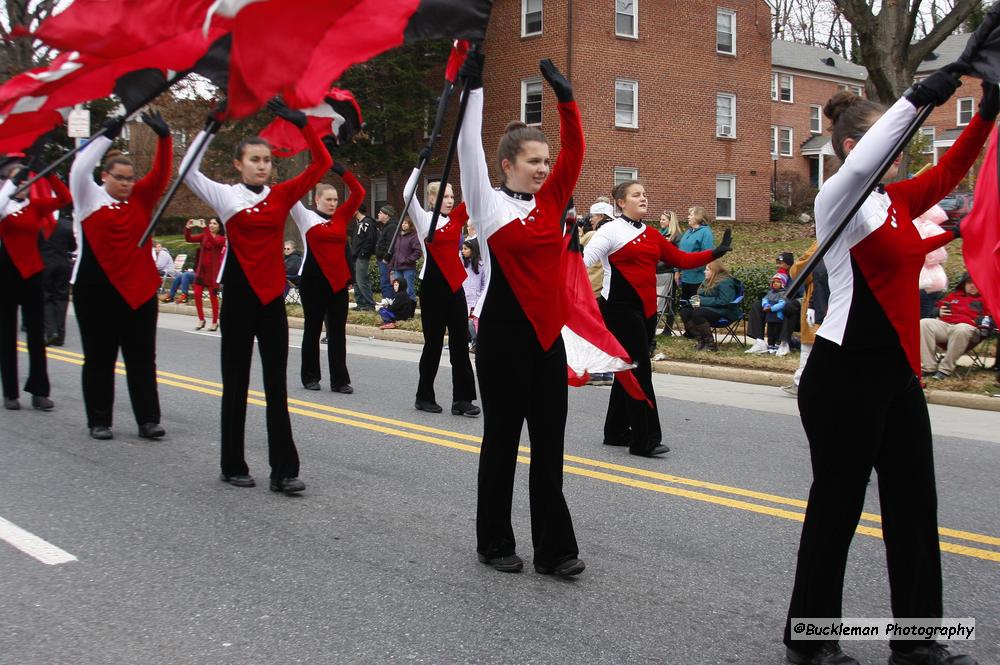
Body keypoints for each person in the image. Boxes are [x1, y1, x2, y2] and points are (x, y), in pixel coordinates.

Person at [782, 73, 994, 665]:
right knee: (838, 509)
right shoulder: (839, 199)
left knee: (914, 505)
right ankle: (812, 640)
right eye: (888, 143)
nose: (900, 155)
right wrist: (916, 98)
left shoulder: (894, 203)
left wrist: (984, 116)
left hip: (897, 375)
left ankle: (919, 641)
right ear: (854, 147)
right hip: (843, 375)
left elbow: (949, 173)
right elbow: (869, 160)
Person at [458, 53, 586, 577]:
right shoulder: (486, 205)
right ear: (507, 165)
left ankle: (554, 550)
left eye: (545, 160)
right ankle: (494, 541)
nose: (543, 168)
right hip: (503, 339)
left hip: (546, 340)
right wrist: (475, 87)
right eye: (532, 161)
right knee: (503, 440)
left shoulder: (553, 202)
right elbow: (467, 149)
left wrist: (566, 97)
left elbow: (576, 151)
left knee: (550, 446)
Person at [180, 99, 331, 493]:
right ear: (238, 164)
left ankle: (284, 470)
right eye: (254, 159)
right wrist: (210, 125)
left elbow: (321, 165)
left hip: (271, 302)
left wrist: (304, 126)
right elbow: (186, 171)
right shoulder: (226, 196)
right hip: (239, 299)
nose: (263, 165)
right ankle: (232, 464)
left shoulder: (281, 195)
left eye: (266, 160)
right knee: (236, 383)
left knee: (276, 387)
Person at [583, 180, 726, 456]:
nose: (643, 198)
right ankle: (644, 439)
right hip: (620, 310)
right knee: (640, 370)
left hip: (646, 312)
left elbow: (681, 260)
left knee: (627, 367)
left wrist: (715, 253)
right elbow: (584, 261)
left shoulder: (650, 233)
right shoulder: (610, 231)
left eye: (645, 194)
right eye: (636, 195)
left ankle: (615, 432)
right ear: (621, 203)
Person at [68, 112, 172, 441]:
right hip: (96, 291)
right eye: (121, 178)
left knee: (142, 359)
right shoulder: (87, 198)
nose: (128, 183)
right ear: (105, 176)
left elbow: (161, 175)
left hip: (139, 292)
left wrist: (165, 139)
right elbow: (78, 169)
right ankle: (99, 419)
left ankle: (148, 420)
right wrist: (105, 137)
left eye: (130, 178)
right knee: (99, 358)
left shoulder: (141, 198)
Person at [401, 173, 479, 416]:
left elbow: (474, 197)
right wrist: (418, 167)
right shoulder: (424, 219)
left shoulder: (455, 218)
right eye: (444, 196)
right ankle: (424, 396)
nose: (450, 200)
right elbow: (407, 194)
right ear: (432, 199)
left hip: (455, 286)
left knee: (459, 344)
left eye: (452, 196)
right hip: (433, 286)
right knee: (433, 344)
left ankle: (462, 400)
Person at [0, 156, 70, 411]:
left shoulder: (35, 207)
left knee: (35, 336)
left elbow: (64, 199)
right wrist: (11, 184)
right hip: (6, 274)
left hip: (32, 273)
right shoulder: (3, 207)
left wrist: (49, 174)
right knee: (7, 335)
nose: (24, 184)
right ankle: (10, 392)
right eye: (18, 179)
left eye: (26, 179)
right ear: (7, 181)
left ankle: (39, 391)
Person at [291, 161, 364, 394]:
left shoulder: (341, 217)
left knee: (337, 332)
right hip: (312, 282)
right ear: (317, 200)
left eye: (335, 199)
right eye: (328, 199)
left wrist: (341, 170)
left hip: (338, 283)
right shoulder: (306, 218)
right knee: (312, 329)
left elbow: (359, 192)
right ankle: (310, 377)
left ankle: (340, 380)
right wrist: (315, 170)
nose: (333, 203)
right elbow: (293, 193)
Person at [781, 244, 830, 397]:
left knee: (810, 345)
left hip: (818, 298)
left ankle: (801, 382)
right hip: (833, 297)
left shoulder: (821, 243)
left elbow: (799, 271)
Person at [920, 273, 990, 380]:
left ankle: (945, 370)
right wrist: (937, 312)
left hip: (970, 330)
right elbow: (935, 308)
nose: (972, 286)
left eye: (976, 283)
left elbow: (992, 319)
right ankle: (928, 368)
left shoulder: (987, 299)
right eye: (969, 282)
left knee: (961, 328)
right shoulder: (954, 295)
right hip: (947, 327)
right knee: (924, 323)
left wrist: (982, 320)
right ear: (964, 284)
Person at [580, 199, 616, 385]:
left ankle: (596, 372)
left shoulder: (596, 234)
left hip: (593, 289)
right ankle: (607, 373)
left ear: (601, 216)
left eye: (593, 215)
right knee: (604, 331)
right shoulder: (618, 232)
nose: (590, 219)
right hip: (609, 289)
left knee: (592, 331)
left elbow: (578, 255)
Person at [677, 259, 741, 352]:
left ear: (714, 271)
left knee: (698, 313)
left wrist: (701, 301)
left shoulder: (725, 282)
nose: (704, 271)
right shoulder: (708, 280)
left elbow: (724, 301)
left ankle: (710, 344)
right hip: (708, 308)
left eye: (707, 270)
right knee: (685, 311)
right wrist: (694, 301)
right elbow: (700, 295)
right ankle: (701, 340)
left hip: (724, 311)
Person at [183, 218, 227, 331]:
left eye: (214, 224)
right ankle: (201, 319)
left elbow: (214, 242)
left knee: (213, 298)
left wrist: (205, 229)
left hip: (213, 274)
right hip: (201, 272)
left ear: (219, 227)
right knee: (197, 294)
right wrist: (188, 228)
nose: (211, 225)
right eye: (210, 223)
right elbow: (189, 239)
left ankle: (214, 322)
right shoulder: (204, 235)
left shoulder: (221, 239)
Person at [40, 208, 75, 346]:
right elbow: (72, 246)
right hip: (63, 264)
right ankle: (60, 334)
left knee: (46, 297)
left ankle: (51, 331)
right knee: (61, 299)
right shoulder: (66, 225)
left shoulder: (40, 225)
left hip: (45, 264)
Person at [675, 206, 715, 302]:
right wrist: (677, 271)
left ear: (698, 217)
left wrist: (696, 268)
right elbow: (680, 252)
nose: (688, 217)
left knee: (695, 305)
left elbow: (707, 255)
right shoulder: (688, 232)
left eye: (691, 215)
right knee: (685, 305)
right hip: (685, 277)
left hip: (697, 278)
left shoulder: (705, 232)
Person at [351, 203, 377, 310]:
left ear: (357, 210)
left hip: (362, 257)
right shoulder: (358, 223)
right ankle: (360, 303)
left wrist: (363, 253)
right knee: (356, 281)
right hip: (356, 257)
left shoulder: (367, 223)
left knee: (362, 281)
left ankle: (369, 304)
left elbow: (370, 240)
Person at [388, 216, 421, 300]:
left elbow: (418, 252)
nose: (403, 224)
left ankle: (411, 309)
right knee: (398, 290)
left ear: (410, 225)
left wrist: (407, 260)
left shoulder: (414, 236)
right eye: (402, 223)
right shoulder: (399, 236)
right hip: (397, 268)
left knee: (409, 290)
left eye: (406, 223)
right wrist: (391, 266)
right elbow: (395, 252)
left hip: (408, 268)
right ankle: (401, 309)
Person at [461, 238, 485, 353]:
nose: (463, 251)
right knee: (464, 321)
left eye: (465, 249)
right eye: (462, 249)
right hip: (463, 297)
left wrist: (481, 296)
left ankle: (477, 342)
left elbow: (484, 282)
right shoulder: (462, 262)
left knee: (473, 322)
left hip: (476, 299)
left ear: (473, 250)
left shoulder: (481, 264)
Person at [374, 205, 398, 300]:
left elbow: (391, 245)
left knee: (386, 283)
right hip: (383, 260)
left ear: (387, 215)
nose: (378, 214)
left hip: (387, 262)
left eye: (381, 213)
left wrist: (386, 258)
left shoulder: (391, 227)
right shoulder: (387, 226)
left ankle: (389, 305)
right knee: (386, 283)